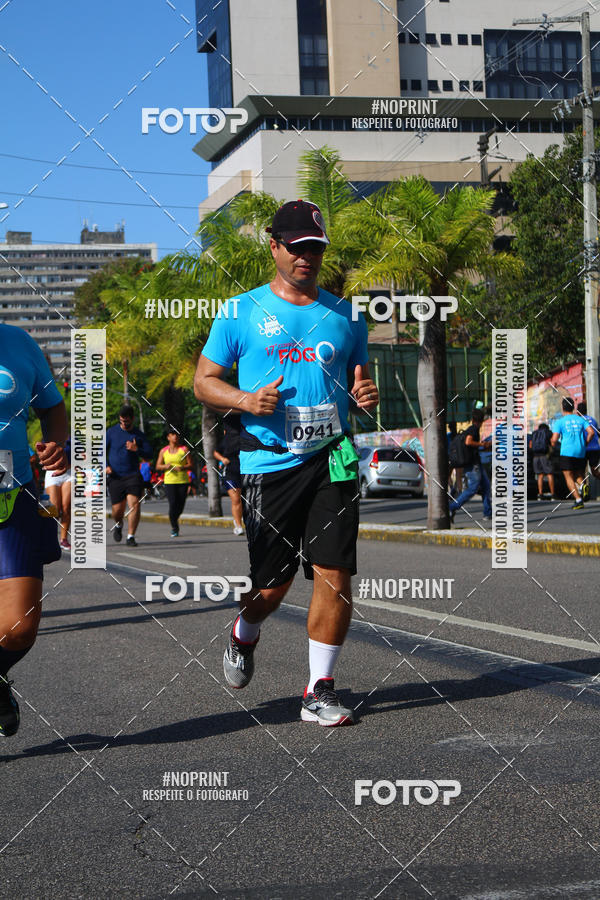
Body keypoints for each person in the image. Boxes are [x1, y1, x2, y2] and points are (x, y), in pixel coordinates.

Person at [194, 199, 378, 726]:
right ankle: (243, 631)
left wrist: (364, 393)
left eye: (315, 249)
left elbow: (358, 377)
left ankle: (319, 689)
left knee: (335, 574)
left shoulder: (347, 315)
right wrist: (246, 400)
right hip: (266, 462)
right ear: (274, 245)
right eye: (296, 248)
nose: (307, 258)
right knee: (271, 589)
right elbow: (202, 381)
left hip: (331, 458)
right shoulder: (239, 311)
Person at [0, 323, 68, 737]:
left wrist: (54, 443)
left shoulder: (20, 342)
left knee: (20, 626)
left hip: (12, 495)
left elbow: (53, 408)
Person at [106, 404, 153, 546]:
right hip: (115, 476)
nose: (124, 424)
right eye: (121, 421)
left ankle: (131, 536)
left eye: (126, 421)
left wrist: (136, 449)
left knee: (134, 505)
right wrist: (105, 466)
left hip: (132, 475)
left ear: (132, 419)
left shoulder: (139, 435)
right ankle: (119, 525)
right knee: (117, 511)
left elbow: (149, 454)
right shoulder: (111, 432)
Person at [551, 397, 594, 509]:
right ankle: (583, 486)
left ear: (563, 407)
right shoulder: (581, 419)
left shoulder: (560, 421)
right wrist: (585, 443)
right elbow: (591, 432)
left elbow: (554, 439)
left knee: (568, 476)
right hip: (581, 451)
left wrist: (552, 444)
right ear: (573, 407)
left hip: (567, 451)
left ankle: (578, 500)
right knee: (578, 474)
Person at [449, 408, 489, 522]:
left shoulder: (472, 429)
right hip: (473, 465)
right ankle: (451, 507)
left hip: (476, 463)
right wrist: (481, 444)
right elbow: (468, 442)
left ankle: (488, 513)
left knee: (486, 487)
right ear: (482, 420)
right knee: (472, 489)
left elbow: (472, 447)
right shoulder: (473, 429)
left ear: (472, 419)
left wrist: (485, 446)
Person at [156, 430, 192, 537]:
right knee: (172, 504)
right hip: (170, 481)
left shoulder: (184, 449)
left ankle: (174, 520)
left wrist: (183, 467)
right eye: (172, 435)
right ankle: (174, 527)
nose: (175, 436)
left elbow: (191, 464)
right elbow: (158, 466)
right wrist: (165, 466)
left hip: (183, 480)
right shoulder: (163, 451)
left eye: (177, 434)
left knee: (180, 505)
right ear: (168, 437)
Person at [213, 413, 244, 535]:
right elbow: (216, 452)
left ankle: (245, 521)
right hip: (230, 471)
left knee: (245, 500)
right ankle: (238, 525)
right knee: (236, 499)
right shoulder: (226, 440)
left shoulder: (245, 437)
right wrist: (222, 459)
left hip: (245, 470)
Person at [44, 436, 72, 549]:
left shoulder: (74, 440)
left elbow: (84, 457)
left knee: (66, 507)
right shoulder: (47, 438)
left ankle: (64, 539)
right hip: (52, 473)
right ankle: (51, 538)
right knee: (54, 508)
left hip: (69, 473)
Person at [577, 401, 600, 496]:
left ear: (578, 412)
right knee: (594, 471)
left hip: (584, 449)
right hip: (595, 449)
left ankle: (584, 491)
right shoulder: (593, 419)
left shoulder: (579, 421)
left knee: (581, 471)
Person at [529, 423, 555, 500]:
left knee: (540, 475)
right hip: (545, 455)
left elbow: (530, 445)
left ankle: (540, 494)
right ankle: (553, 494)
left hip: (536, 457)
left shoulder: (534, 433)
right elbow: (553, 442)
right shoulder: (548, 432)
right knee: (549, 474)